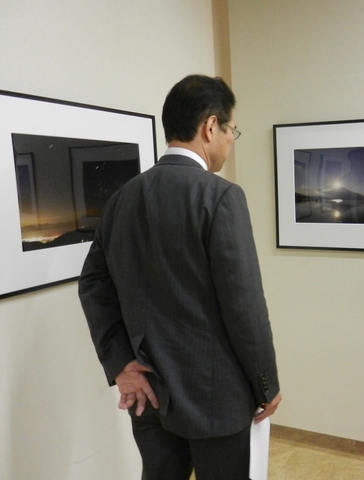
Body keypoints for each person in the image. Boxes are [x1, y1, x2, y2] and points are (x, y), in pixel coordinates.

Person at [78, 74, 281, 480]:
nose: (230, 140)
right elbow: (243, 305)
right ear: (210, 126)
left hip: (150, 393)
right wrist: (266, 384)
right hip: (216, 400)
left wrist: (121, 365)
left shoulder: (122, 198)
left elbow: (93, 285)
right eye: (231, 130)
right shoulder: (220, 196)